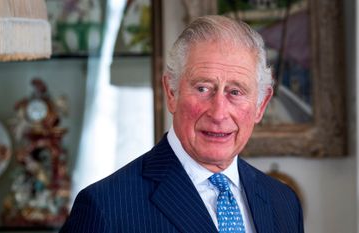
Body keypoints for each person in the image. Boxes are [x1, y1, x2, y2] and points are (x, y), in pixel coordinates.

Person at [60, 15, 304, 233]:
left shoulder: (283, 202)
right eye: (202, 88)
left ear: (261, 105)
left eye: (235, 92)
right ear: (171, 93)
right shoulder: (105, 208)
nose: (219, 113)